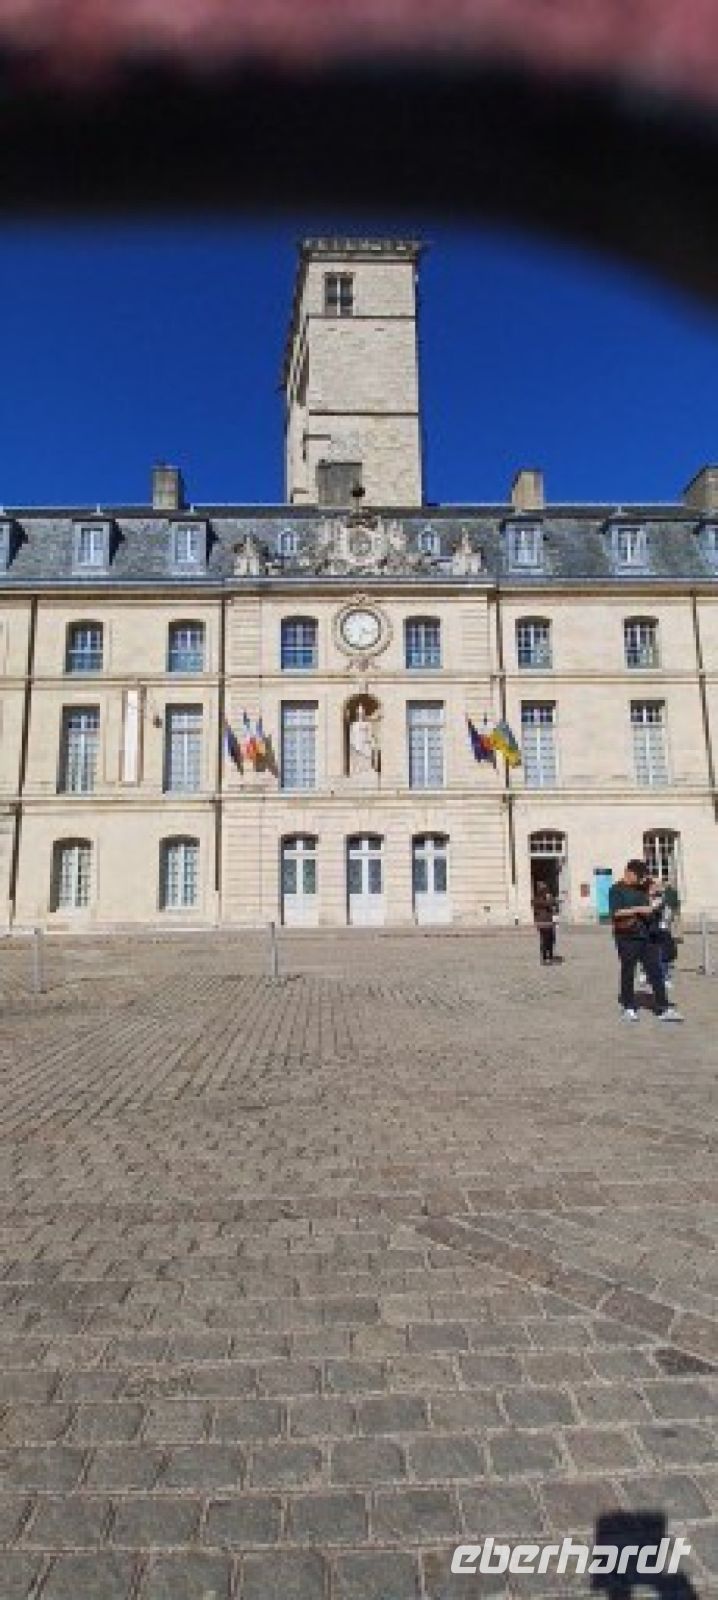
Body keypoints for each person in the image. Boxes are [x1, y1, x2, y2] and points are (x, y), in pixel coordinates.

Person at [608, 859, 683, 1022]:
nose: (642, 880)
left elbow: (660, 887)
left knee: (655, 971)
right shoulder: (616, 889)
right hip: (627, 937)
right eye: (639, 876)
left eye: (643, 877)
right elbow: (615, 913)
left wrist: (656, 891)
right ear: (629, 873)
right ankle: (628, 1007)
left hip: (647, 935)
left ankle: (663, 1008)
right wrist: (638, 909)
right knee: (628, 971)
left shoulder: (642, 885)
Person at [532, 880, 557, 963]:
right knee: (547, 940)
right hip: (545, 923)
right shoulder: (540, 898)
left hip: (546, 922)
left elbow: (553, 904)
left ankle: (547, 957)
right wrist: (550, 900)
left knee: (548, 940)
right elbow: (549, 904)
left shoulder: (538, 898)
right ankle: (546, 957)